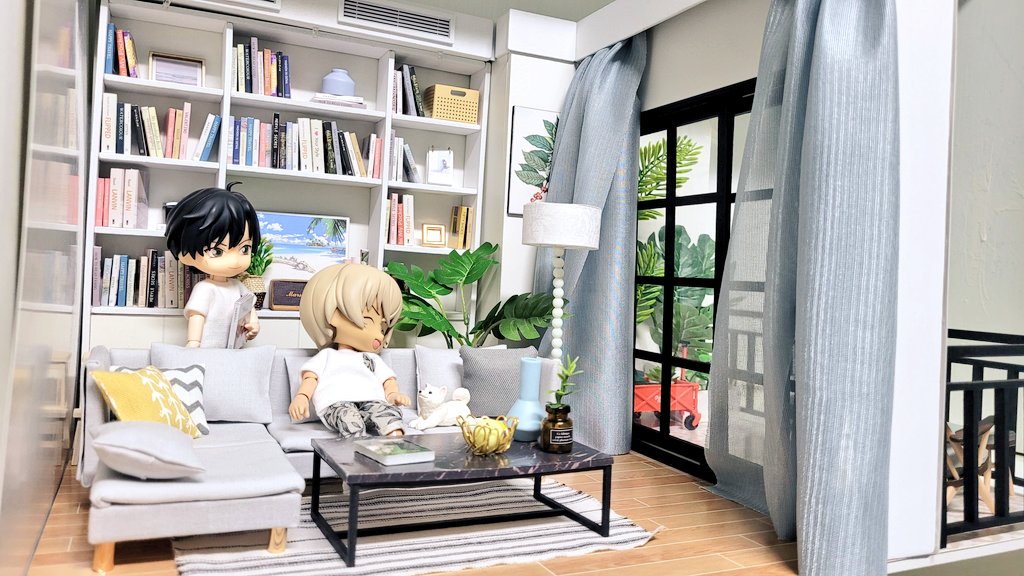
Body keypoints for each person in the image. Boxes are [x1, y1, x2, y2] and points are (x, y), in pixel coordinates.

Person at [288, 263, 411, 437]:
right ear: (333, 316)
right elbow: (311, 378)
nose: (379, 335)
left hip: (372, 401)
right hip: (337, 402)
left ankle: (395, 444)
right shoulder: (327, 356)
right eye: (368, 321)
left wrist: (392, 395)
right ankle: (357, 447)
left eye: (382, 328)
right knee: (349, 420)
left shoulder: (372, 359)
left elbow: (388, 380)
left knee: (389, 417)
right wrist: (302, 397)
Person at [164, 182, 261, 348]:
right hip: (207, 349)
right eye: (217, 251)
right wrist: (193, 342)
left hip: (232, 349)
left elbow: (249, 307)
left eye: (244, 249)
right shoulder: (205, 288)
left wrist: (254, 325)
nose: (234, 261)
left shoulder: (238, 286)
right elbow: (197, 316)